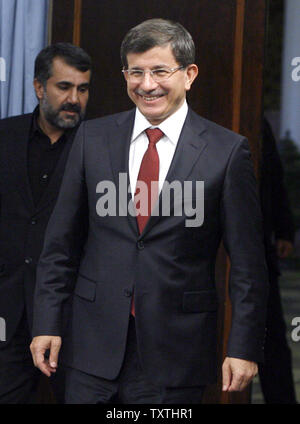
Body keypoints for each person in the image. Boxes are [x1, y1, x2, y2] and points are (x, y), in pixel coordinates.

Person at [30, 19, 268, 404]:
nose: (146, 84)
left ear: (189, 75)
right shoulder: (92, 139)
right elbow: (59, 245)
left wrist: (243, 347)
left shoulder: (227, 152)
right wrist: (46, 323)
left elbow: (247, 266)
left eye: (160, 71)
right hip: (89, 349)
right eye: (135, 72)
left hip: (177, 354)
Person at [0, 42, 91, 404]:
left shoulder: (101, 146)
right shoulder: (3, 137)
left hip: (74, 316)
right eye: (64, 87)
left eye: (83, 89)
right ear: (39, 88)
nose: (74, 98)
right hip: (7, 311)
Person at [258, 116, 297, 403]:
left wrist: (284, 229)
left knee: (271, 340)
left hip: (258, 247)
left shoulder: (252, 118)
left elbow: (273, 175)